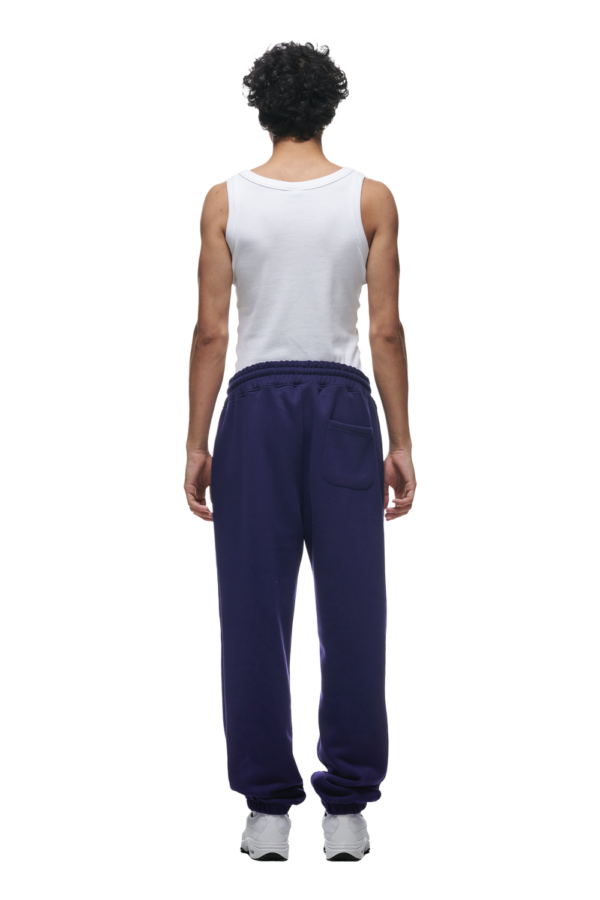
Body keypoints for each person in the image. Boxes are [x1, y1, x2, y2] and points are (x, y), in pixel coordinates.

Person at [183, 39, 417, 862]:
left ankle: (267, 815)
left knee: (251, 608)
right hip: (344, 405)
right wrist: (401, 441)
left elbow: (212, 332)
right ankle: (348, 810)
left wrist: (195, 444)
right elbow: (384, 330)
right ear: (331, 106)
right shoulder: (371, 196)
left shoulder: (223, 199)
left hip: (253, 407)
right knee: (355, 610)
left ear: (259, 107)